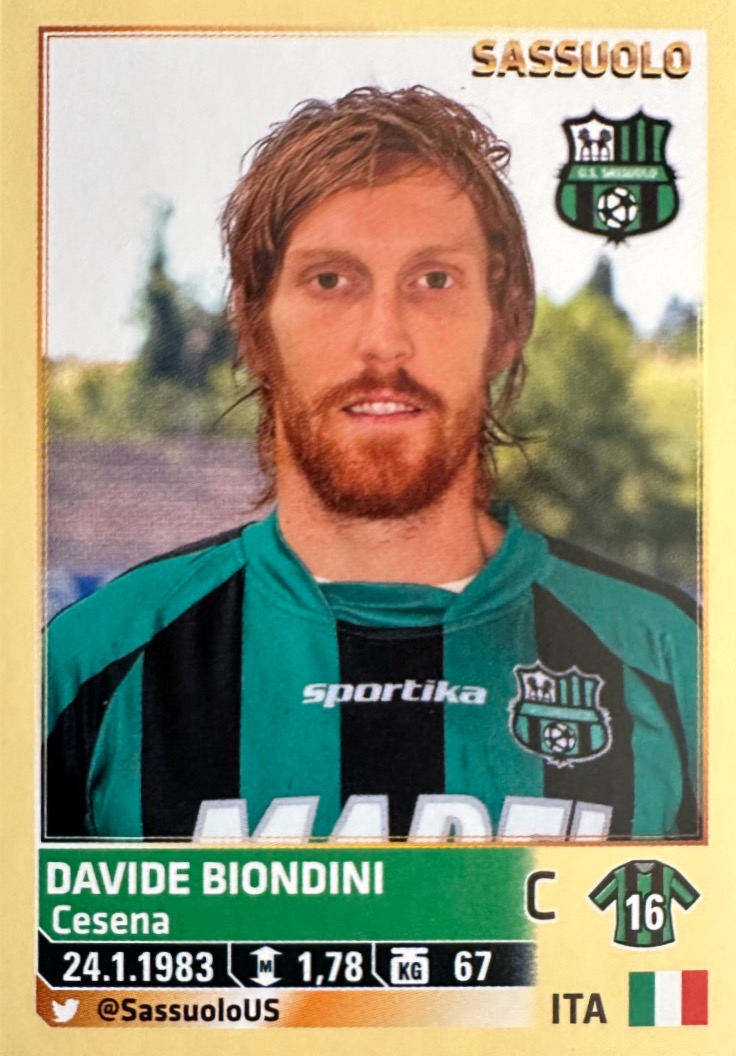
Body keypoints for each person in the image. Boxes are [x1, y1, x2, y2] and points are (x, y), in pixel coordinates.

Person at [44, 86, 699, 842]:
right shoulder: (91, 661)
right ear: (253, 328)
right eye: (330, 281)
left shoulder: (676, 660)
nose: (384, 340)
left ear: (507, 324)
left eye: (434, 280)